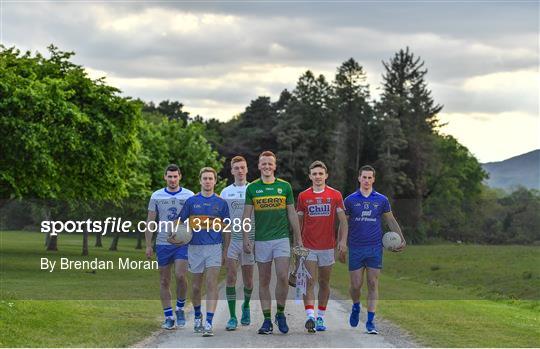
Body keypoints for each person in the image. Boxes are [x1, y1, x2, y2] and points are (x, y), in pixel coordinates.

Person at [242, 150, 302, 335]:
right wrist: (246, 238)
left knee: (283, 276)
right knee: (265, 280)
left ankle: (281, 314)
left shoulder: (284, 187)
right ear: (259, 166)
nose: (267, 167)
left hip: (281, 239)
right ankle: (267, 320)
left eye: (270, 164)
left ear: (275, 166)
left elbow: (292, 213)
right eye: (264, 164)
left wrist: (298, 238)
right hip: (261, 240)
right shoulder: (252, 188)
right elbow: (246, 216)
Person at [344, 165, 406, 334]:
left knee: (373, 283)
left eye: (370, 178)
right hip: (356, 247)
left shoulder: (381, 200)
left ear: (374, 179)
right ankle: (356, 306)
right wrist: (341, 243)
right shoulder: (349, 200)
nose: (366, 180)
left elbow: (391, 221)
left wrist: (401, 238)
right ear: (359, 178)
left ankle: (370, 322)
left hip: (374, 248)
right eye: (364, 177)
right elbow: (344, 224)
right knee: (356, 285)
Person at [296, 160, 348, 333]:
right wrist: (297, 243)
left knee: (324, 282)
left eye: (320, 174)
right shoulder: (303, 196)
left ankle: (320, 317)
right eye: (314, 174)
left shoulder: (335, 195)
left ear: (326, 175)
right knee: (309, 282)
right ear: (310, 176)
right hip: (308, 246)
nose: (318, 177)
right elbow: (298, 221)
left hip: (327, 247)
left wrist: (342, 241)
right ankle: (310, 316)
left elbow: (343, 221)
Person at [179, 167, 230, 337]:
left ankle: (209, 322)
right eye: (205, 178)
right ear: (200, 181)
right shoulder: (191, 202)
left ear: (215, 181)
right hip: (194, 248)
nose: (208, 181)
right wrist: (176, 236)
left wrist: (225, 250)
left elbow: (227, 229)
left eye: (211, 178)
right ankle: (198, 315)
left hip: (214, 247)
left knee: (211, 283)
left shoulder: (221, 203)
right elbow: (179, 224)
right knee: (195, 287)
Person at [145, 164, 195, 330]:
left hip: (182, 243)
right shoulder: (156, 195)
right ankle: (168, 317)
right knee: (164, 280)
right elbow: (150, 221)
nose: (172, 180)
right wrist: (148, 245)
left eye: (175, 176)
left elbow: (194, 220)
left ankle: (180, 308)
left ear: (180, 176)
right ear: (165, 177)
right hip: (163, 243)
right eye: (169, 176)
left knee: (181, 275)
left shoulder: (189, 195)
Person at [220, 156, 255, 330]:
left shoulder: (254, 189)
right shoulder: (225, 193)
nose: (240, 171)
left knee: (248, 281)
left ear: (247, 169)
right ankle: (232, 316)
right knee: (231, 277)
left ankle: (246, 306)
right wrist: (223, 247)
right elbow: (223, 221)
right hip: (233, 241)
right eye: (236, 168)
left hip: (250, 241)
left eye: (242, 167)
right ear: (232, 170)